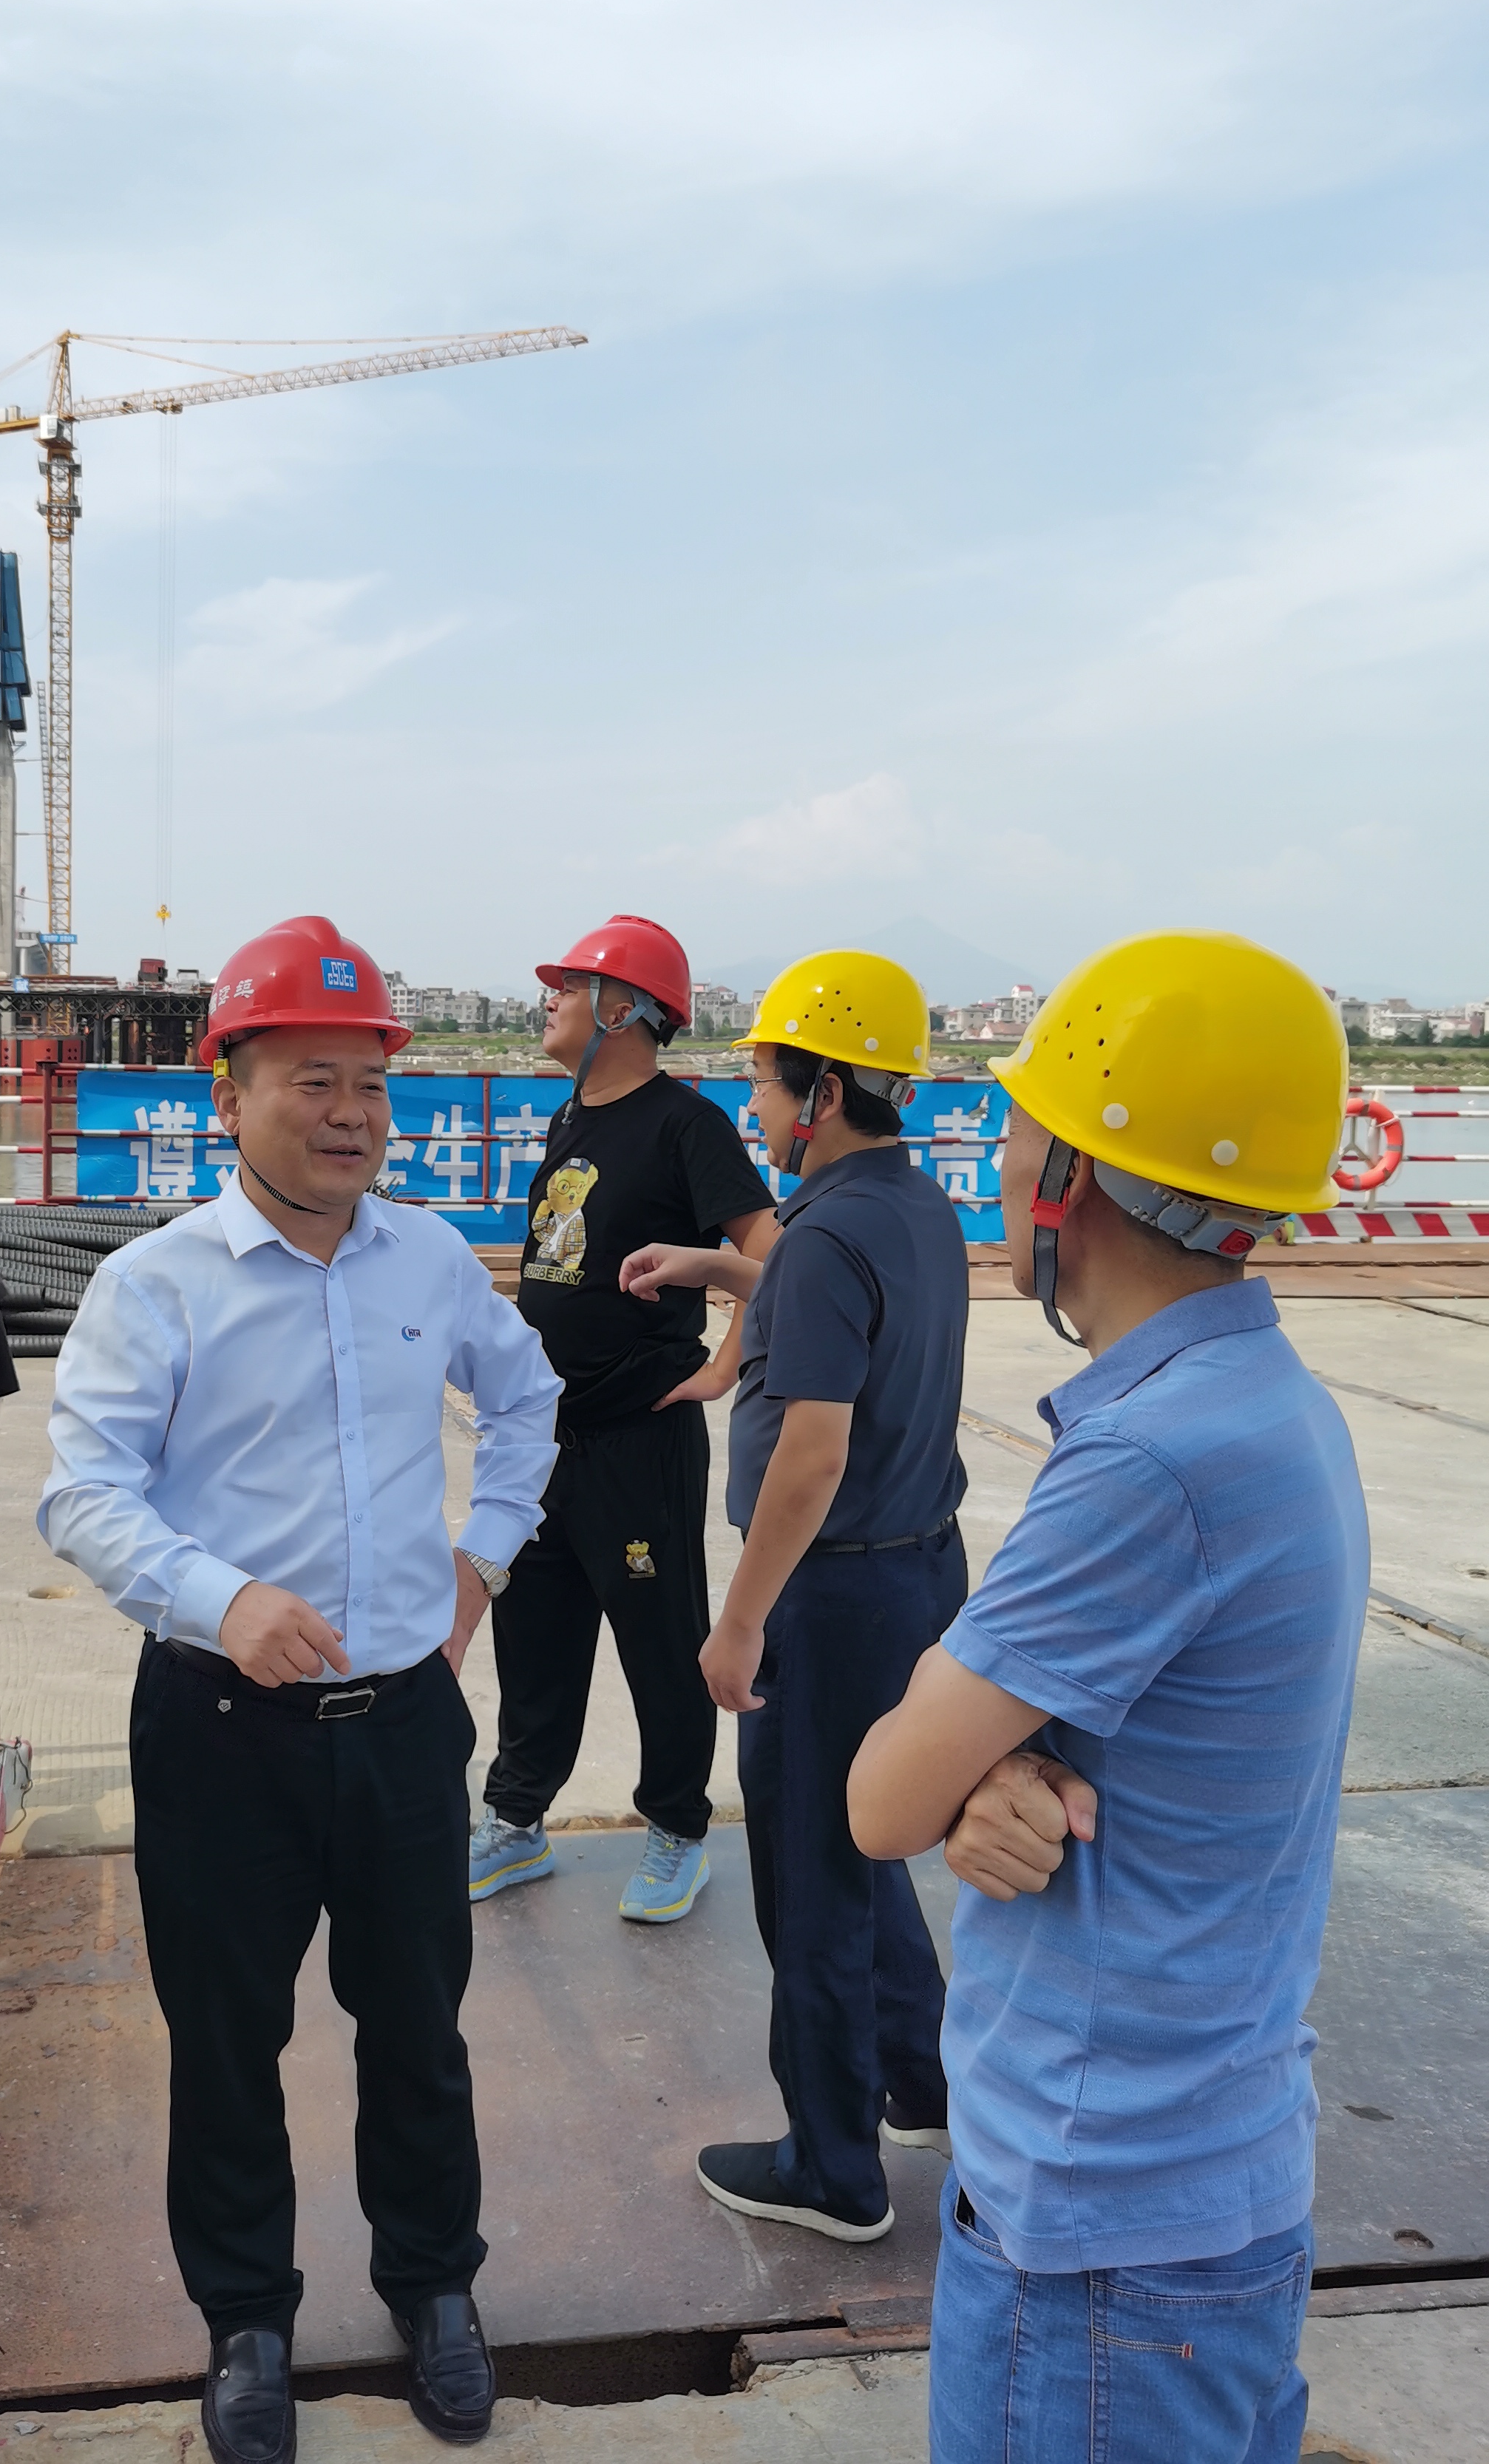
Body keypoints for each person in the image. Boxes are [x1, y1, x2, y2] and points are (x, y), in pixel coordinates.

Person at [40, 914, 562, 2464]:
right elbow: (83, 1492)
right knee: (225, 2044)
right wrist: (221, 1599)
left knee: (418, 2030)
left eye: (370, 1084)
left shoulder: (430, 1261)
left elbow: (527, 1397)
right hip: (220, 1732)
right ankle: (248, 2323)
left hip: (403, 1726)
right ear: (229, 1095)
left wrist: (483, 1560)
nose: (351, 1115)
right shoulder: (157, 1284)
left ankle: (436, 2290)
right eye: (312, 1081)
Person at [847, 931, 1366, 2464]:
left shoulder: (1150, 1460)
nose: (1000, 1161)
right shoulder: (1270, 1403)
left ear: (1071, 1177)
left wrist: (963, 1765)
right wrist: (998, 1769)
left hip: (1101, 2228)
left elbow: (881, 1799)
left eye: (1021, 1129)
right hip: (1211, 2183)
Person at [618, 948, 967, 2240]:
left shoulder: (824, 1234)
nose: (753, 1105)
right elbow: (836, 1303)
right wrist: (719, 1271)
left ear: (821, 1093)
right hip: (922, 1574)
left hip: (830, 1598)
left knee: (811, 1878)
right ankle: (925, 2084)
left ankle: (832, 2169)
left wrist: (740, 1620)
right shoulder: (916, 1210)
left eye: (764, 1082)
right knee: (865, 1843)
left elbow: (811, 1454)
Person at [468, 914, 776, 1924]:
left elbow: (774, 1256)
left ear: (623, 1009)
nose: (548, 999)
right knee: (534, 1632)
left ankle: (678, 1830)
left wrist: (725, 1365)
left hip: (640, 1437)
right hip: (544, 1437)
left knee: (658, 1640)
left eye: (570, 985)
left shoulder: (687, 1124)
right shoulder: (571, 1117)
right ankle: (517, 1820)